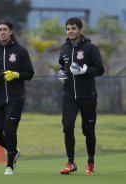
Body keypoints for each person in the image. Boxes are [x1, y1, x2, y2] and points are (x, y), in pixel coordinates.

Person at [0, 20, 34, 175]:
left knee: (10, 130)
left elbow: (29, 73)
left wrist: (16, 75)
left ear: (11, 32)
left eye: (5, 29)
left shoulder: (20, 51)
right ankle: (14, 151)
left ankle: (9, 165)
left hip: (15, 99)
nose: (2, 32)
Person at [57, 17, 105, 175]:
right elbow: (62, 66)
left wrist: (85, 71)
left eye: (73, 28)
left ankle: (90, 162)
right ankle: (71, 162)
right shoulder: (64, 48)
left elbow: (100, 70)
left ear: (79, 30)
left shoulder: (91, 48)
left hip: (88, 96)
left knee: (88, 130)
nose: (70, 31)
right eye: (68, 28)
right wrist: (61, 74)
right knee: (68, 127)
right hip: (69, 95)